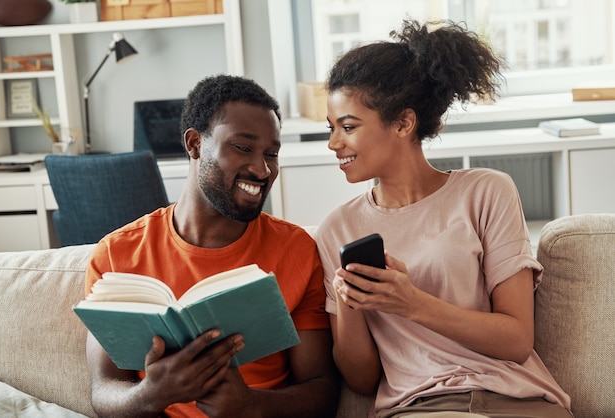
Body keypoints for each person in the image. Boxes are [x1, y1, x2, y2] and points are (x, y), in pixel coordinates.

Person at [314, 19, 572, 418]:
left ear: (403, 122)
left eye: (348, 127)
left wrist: (411, 302)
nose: (333, 143)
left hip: (520, 401)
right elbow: (361, 380)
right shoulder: (338, 230)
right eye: (331, 128)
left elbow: (517, 339)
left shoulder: (487, 192)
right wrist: (350, 302)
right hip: (421, 407)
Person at [84, 74, 339, 418]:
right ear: (194, 144)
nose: (263, 170)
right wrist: (151, 394)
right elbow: (103, 390)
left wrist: (250, 405)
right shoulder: (116, 255)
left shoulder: (296, 250)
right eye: (244, 148)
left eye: (272, 153)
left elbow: (322, 389)